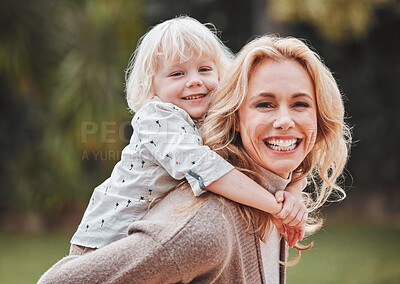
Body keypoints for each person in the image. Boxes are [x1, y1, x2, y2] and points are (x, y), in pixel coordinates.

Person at [38, 35, 350, 283]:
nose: (284, 121)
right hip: (100, 240)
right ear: (235, 116)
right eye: (265, 104)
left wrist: (291, 195)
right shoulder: (205, 229)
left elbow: (297, 163)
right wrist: (281, 208)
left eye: (300, 104)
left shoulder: (264, 183)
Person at [69, 16, 307, 255]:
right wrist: (276, 209)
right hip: (102, 244)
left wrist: (292, 196)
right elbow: (207, 170)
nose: (194, 81)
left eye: (204, 69)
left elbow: (275, 157)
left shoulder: (210, 119)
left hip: (155, 243)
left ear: (220, 73)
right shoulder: (155, 118)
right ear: (152, 85)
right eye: (177, 74)